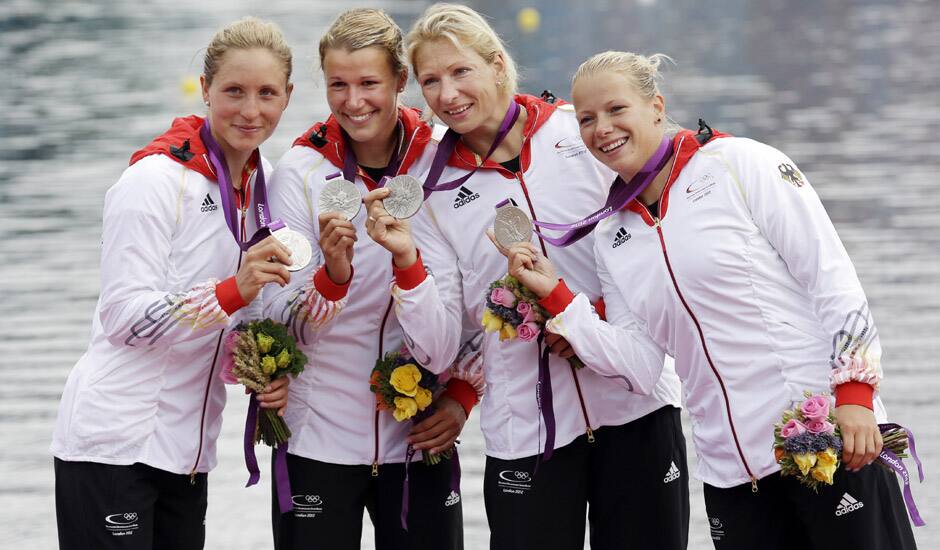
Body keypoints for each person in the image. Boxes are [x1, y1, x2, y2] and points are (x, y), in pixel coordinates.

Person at [503, 50, 918, 549]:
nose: (601, 128)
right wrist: (561, 298)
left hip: (826, 441)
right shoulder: (612, 233)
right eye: (586, 118)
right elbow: (639, 366)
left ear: (656, 105)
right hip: (730, 475)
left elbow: (833, 282)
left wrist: (855, 397)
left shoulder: (742, 164)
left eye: (617, 109)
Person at [405, 5, 688, 549]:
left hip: (635, 405)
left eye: (461, 71)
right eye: (430, 80)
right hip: (525, 430)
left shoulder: (579, 132)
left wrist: (592, 318)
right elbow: (441, 340)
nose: (447, 93)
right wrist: (406, 267)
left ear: (495, 65)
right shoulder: (429, 190)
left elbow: (659, 236)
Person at [51, 17, 294, 550]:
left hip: (188, 453)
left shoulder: (265, 185)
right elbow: (124, 319)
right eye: (233, 91)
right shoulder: (153, 181)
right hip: (114, 445)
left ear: (287, 97)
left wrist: (258, 371)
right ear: (205, 89)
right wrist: (233, 290)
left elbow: (232, 320)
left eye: (266, 93)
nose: (250, 110)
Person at [262, 8, 480, 550]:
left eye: (369, 83)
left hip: (418, 432)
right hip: (319, 436)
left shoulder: (441, 163)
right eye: (339, 84)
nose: (353, 102)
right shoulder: (300, 172)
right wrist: (332, 280)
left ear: (400, 82)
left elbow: (460, 322)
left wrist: (462, 394)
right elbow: (285, 328)